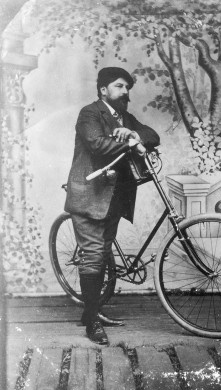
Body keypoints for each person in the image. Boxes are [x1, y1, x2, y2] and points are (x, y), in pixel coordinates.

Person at [64, 67, 160, 345]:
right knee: (94, 254)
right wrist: (131, 140)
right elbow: (97, 144)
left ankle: (91, 311)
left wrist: (133, 133)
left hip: (114, 196)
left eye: (127, 87)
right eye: (119, 86)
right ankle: (91, 321)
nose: (125, 92)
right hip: (90, 193)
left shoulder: (125, 117)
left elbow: (151, 134)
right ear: (104, 90)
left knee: (104, 249)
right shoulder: (90, 113)